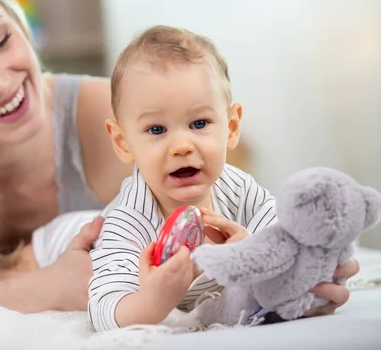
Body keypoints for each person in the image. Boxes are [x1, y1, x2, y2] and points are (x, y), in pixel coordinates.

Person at [0, 0, 358, 336]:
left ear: (18, 20)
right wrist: (38, 289)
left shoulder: (116, 119)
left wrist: (294, 272)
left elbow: (228, 224)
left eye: (0, 40)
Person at [86, 25, 356, 331]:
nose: (182, 146)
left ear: (230, 127)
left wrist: (263, 256)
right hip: (85, 229)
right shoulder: (129, 220)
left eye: (199, 123)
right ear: (123, 143)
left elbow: (286, 242)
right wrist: (152, 301)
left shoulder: (238, 188)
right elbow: (103, 308)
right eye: (156, 130)